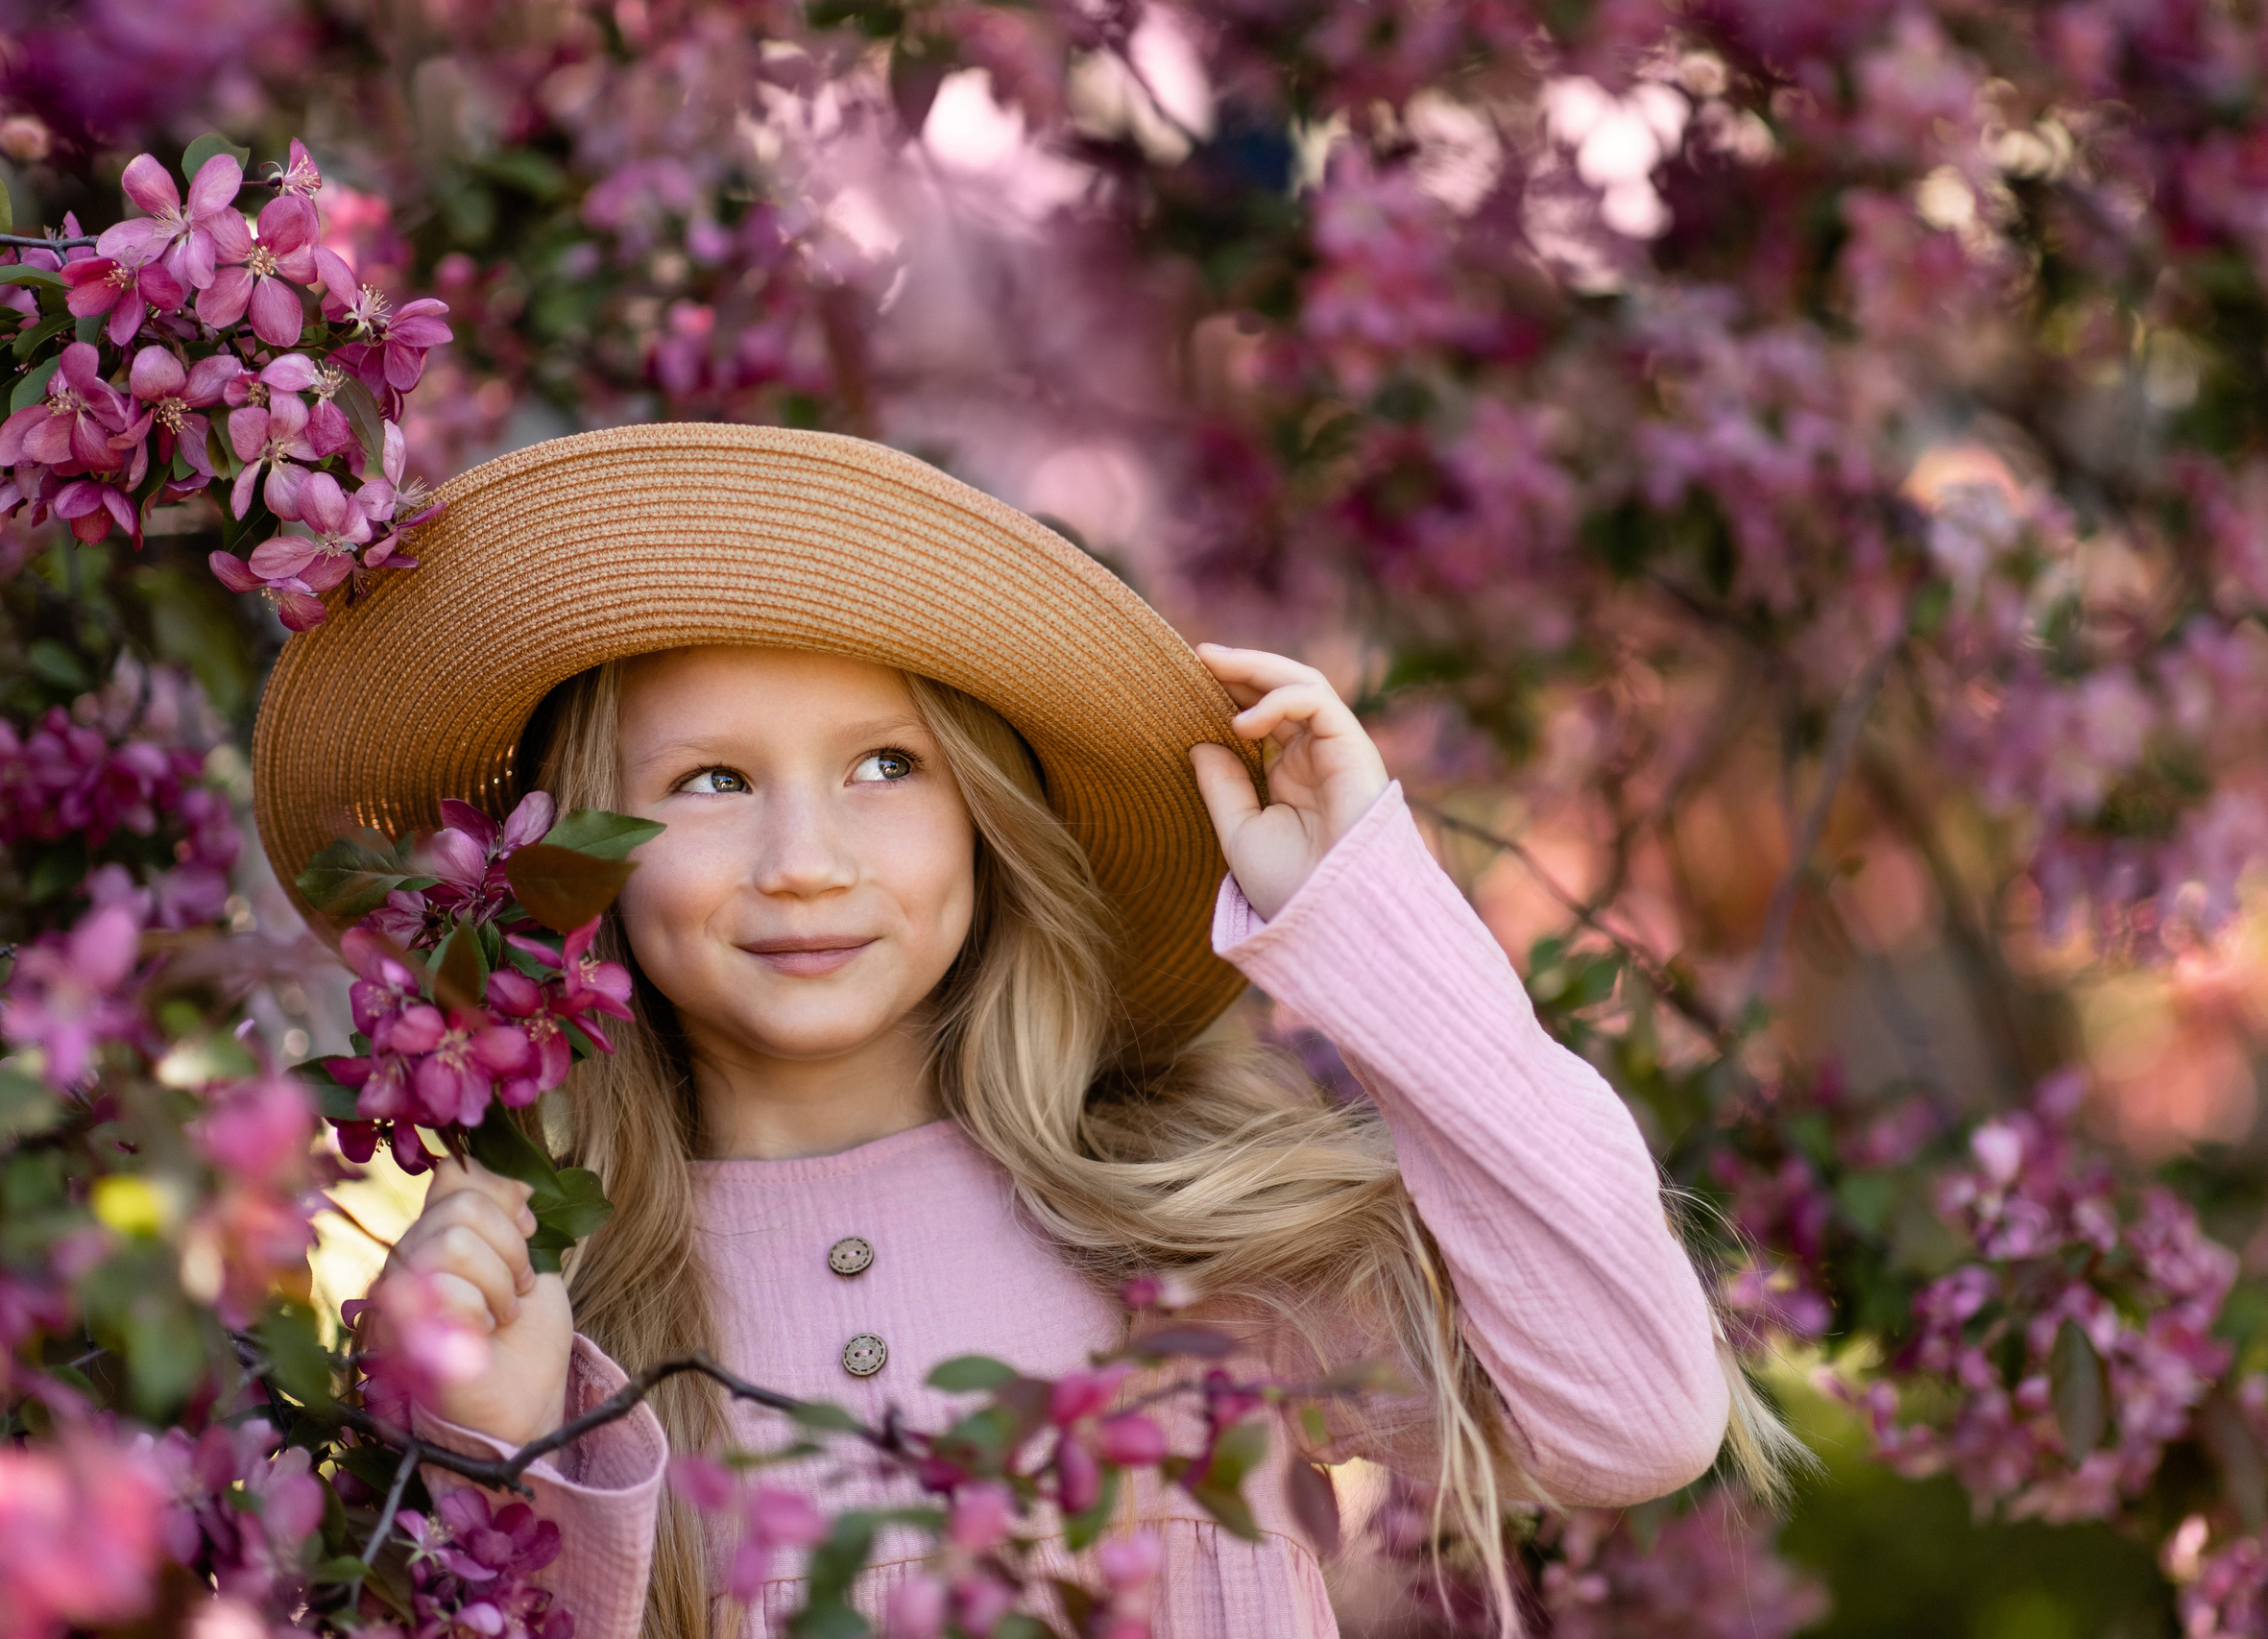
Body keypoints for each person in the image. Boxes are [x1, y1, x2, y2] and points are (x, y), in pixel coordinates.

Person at [249, 422, 1791, 1638]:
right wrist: (506, 1453)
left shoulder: (1185, 1247)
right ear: (579, 858)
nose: (806, 860)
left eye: (886, 766)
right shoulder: (554, 1320)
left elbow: (1636, 1420)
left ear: (988, 820)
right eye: (710, 782)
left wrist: (1377, 928)